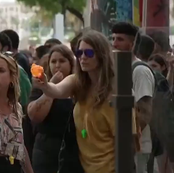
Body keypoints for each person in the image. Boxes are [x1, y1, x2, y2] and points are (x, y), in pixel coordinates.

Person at [33, 30, 137, 172]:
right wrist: (45, 84)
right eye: (79, 53)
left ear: (101, 55)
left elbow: (127, 143)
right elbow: (56, 91)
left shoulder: (118, 91)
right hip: (83, 168)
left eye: (88, 53)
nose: (82, 58)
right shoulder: (77, 82)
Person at [112, 22, 156, 173]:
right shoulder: (117, 68)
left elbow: (144, 112)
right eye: (113, 39)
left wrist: (129, 141)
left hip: (137, 148)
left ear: (131, 44)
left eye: (120, 39)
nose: (114, 43)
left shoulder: (140, 71)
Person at [28, 45, 75, 173]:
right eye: (53, 61)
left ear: (71, 63)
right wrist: (50, 87)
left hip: (73, 149)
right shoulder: (40, 86)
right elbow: (35, 115)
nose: (57, 65)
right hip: (46, 150)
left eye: (62, 61)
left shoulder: (78, 85)